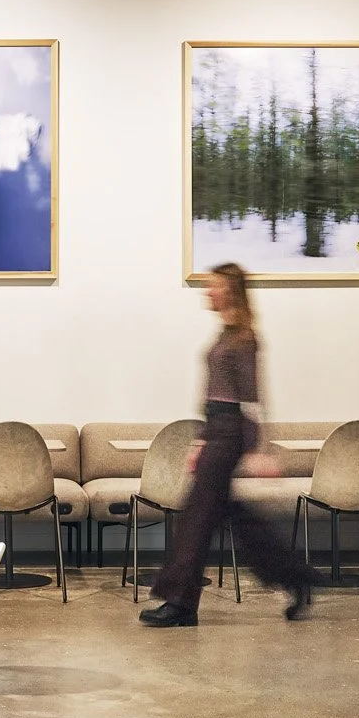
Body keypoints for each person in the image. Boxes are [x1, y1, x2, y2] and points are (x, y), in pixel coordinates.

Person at [141, 263, 319, 627]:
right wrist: (200, 439)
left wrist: (259, 448)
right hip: (216, 429)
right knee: (230, 514)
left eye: (214, 286)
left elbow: (252, 397)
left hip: (230, 433)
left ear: (231, 291)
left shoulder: (245, 339)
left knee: (196, 518)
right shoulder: (225, 334)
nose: (207, 291)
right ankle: (296, 576)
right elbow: (214, 396)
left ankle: (181, 603)